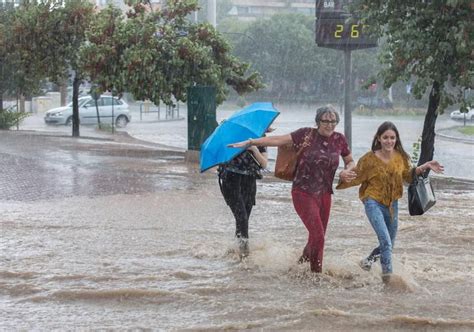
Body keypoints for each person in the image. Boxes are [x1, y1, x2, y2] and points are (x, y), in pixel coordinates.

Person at [229, 105, 356, 273]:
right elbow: (277, 140)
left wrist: (347, 170)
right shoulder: (305, 134)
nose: (330, 125)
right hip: (303, 192)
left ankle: (299, 266)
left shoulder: (339, 139)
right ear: (318, 121)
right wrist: (252, 142)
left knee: (316, 237)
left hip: (325, 194)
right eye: (325, 121)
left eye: (334, 121)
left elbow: (350, 161)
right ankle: (315, 276)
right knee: (318, 236)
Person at [336, 121, 444, 283]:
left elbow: (408, 176)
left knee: (388, 245)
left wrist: (425, 166)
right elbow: (356, 176)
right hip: (373, 202)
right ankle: (387, 280)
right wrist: (342, 175)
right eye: (385, 137)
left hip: (392, 205)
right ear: (379, 138)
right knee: (386, 242)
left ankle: (367, 263)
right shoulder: (369, 159)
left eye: (392, 138)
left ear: (396, 139)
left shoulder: (400, 157)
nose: (389, 141)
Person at [218, 130, 269, 258]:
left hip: (249, 182)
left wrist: (253, 149)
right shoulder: (231, 135)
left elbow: (264, 163)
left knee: (243, 219)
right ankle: (244, 254)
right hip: (230, 180)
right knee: (242, 218)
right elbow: (220, 156)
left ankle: (236, 251)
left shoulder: (260, 138)